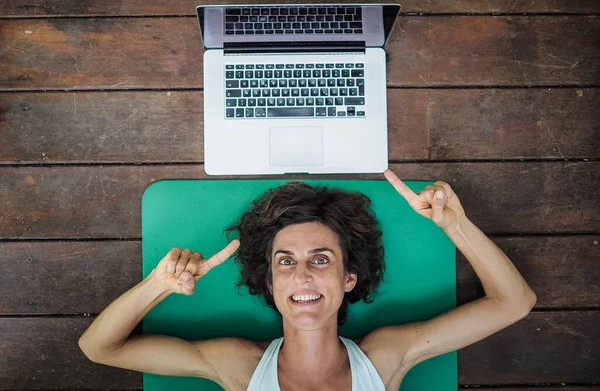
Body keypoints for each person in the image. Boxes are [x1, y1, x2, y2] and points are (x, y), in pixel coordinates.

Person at [78, 170, 536, 391]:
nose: (301, 275)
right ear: (272, 284)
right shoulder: (237, 365)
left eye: (320, 259)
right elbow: (99, 348)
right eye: (285, 262)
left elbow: (513, 302)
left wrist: (455, 226)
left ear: (349, 277)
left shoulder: (385, 359)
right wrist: (159, 284)